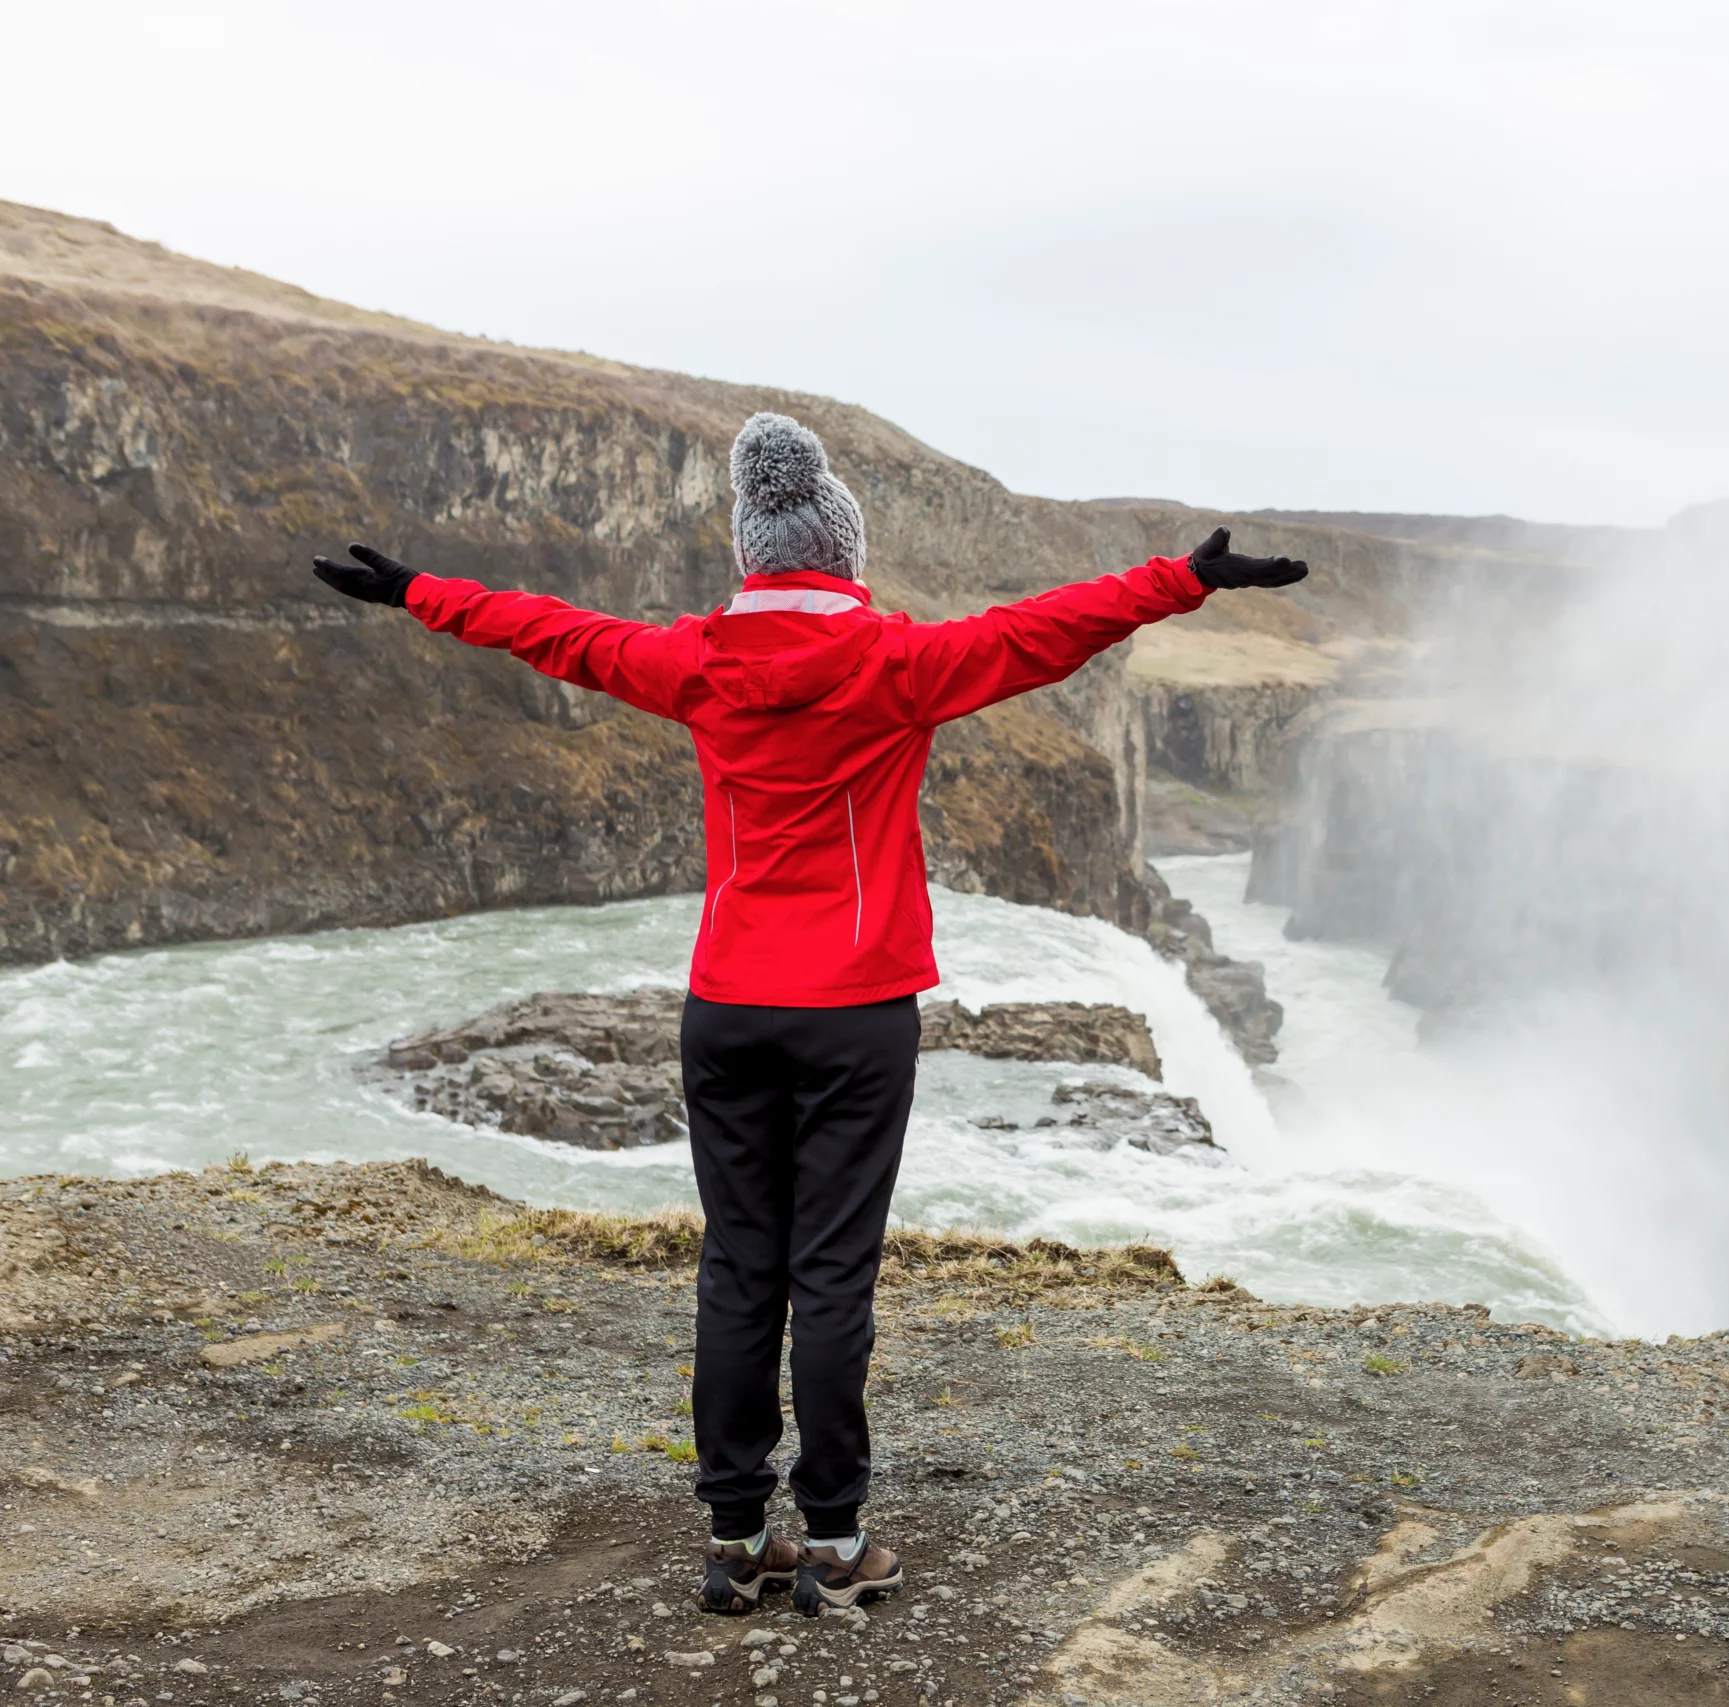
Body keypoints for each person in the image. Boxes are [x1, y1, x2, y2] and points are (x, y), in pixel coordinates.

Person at [309, 411, 1310, 1616]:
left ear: (750, 556)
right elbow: (1044, 633)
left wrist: (420, 590)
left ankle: (734, 1539)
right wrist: (1181, 580)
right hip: (855, 1011)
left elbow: (558, 636)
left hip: (726, 1007)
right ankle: (832, 1545)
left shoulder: (693, 662)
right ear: (845, 554)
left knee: (740, 1270)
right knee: (831, 1277)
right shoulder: (898, 665)